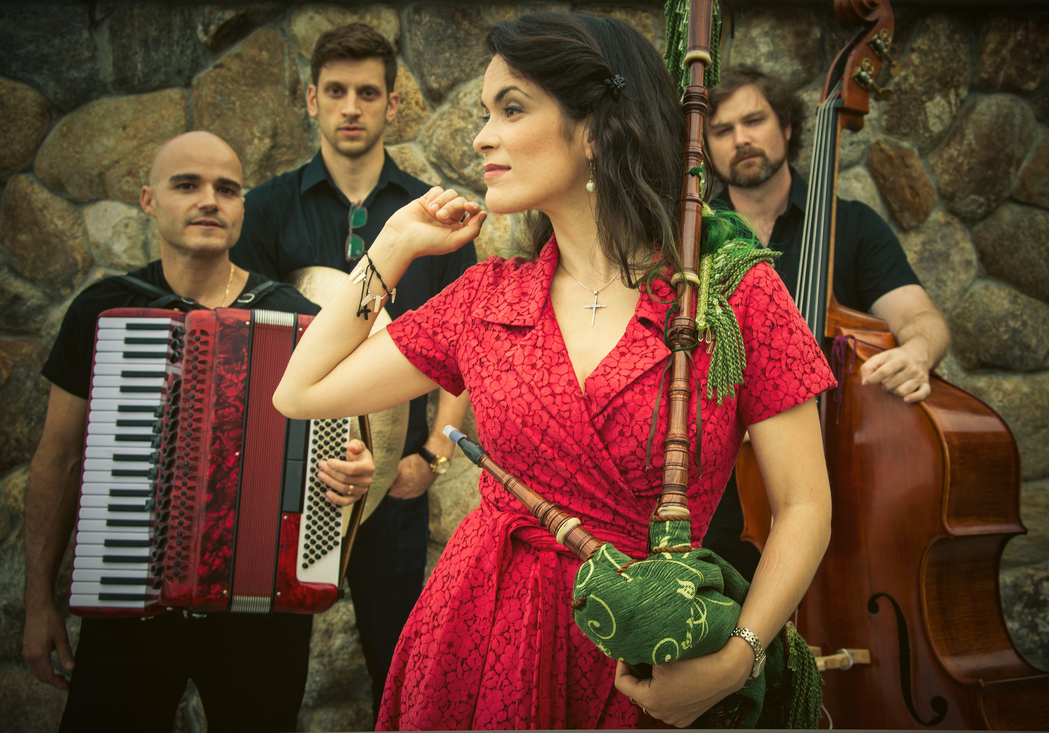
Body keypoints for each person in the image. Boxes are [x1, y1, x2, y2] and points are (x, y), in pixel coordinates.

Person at [273, 13, 835, 730]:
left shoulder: (730, 294)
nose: (482, 136)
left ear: (596, 128)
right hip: (480, 635)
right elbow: (301, 390)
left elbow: (805, 507)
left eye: (511, 109)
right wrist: (391, 245)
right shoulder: (486, 299)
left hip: (645, 645)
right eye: (485, 113)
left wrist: (738, 657)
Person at [22, 131, 375, 732]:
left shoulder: (299, 319)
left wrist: (352, 474)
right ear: (149, 200)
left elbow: (345, 449)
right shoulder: (102, 310)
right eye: (187, 185)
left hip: (261, 615)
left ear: (242, 208)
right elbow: (57, 460)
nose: (209, 200)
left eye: (227, 189)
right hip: (127, 608)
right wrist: (38, 602)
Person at [228, 24, 477, 716]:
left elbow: (460, 352)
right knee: (267, 675)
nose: (351, 107)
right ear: (311, 98)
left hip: (395, 484)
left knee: (397, 666)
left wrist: (432, 458)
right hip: (283, 476)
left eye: (368, 93)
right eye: (335, 91)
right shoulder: (266, 210)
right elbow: (249, 345)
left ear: (393, 104)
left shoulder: (434, 213)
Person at [700, 66, 951, 580]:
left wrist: (918, 351)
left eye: (754, 120)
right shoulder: (694, 239)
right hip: (727, 496)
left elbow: (920, 317)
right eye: (722, 130)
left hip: (850, 476)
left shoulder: (853, 226)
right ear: (705, 147)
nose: (741, 139)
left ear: (787, 127)